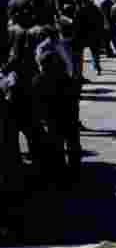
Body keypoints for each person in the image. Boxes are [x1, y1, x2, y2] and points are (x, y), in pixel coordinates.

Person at [31, 49, 81, 186]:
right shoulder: (65, 77)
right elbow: (75, 96)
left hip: (52, 118)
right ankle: (75, 169)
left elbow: (36, 100)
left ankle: (61, 171)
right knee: (73, 143)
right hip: (69, 115)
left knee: (57, 144)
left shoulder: (38, 79)